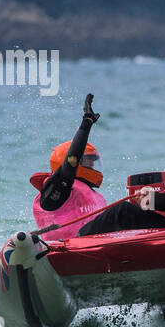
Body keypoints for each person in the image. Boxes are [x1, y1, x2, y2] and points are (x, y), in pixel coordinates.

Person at [30, 94, 107, 239]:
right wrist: (87, 121)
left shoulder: (96, 196)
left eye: (93, 160)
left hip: (96, 245)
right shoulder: (58, 188)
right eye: (86, 160)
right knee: (124, 211)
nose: (91, 164)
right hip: (63, 249)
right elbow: (71, 162)